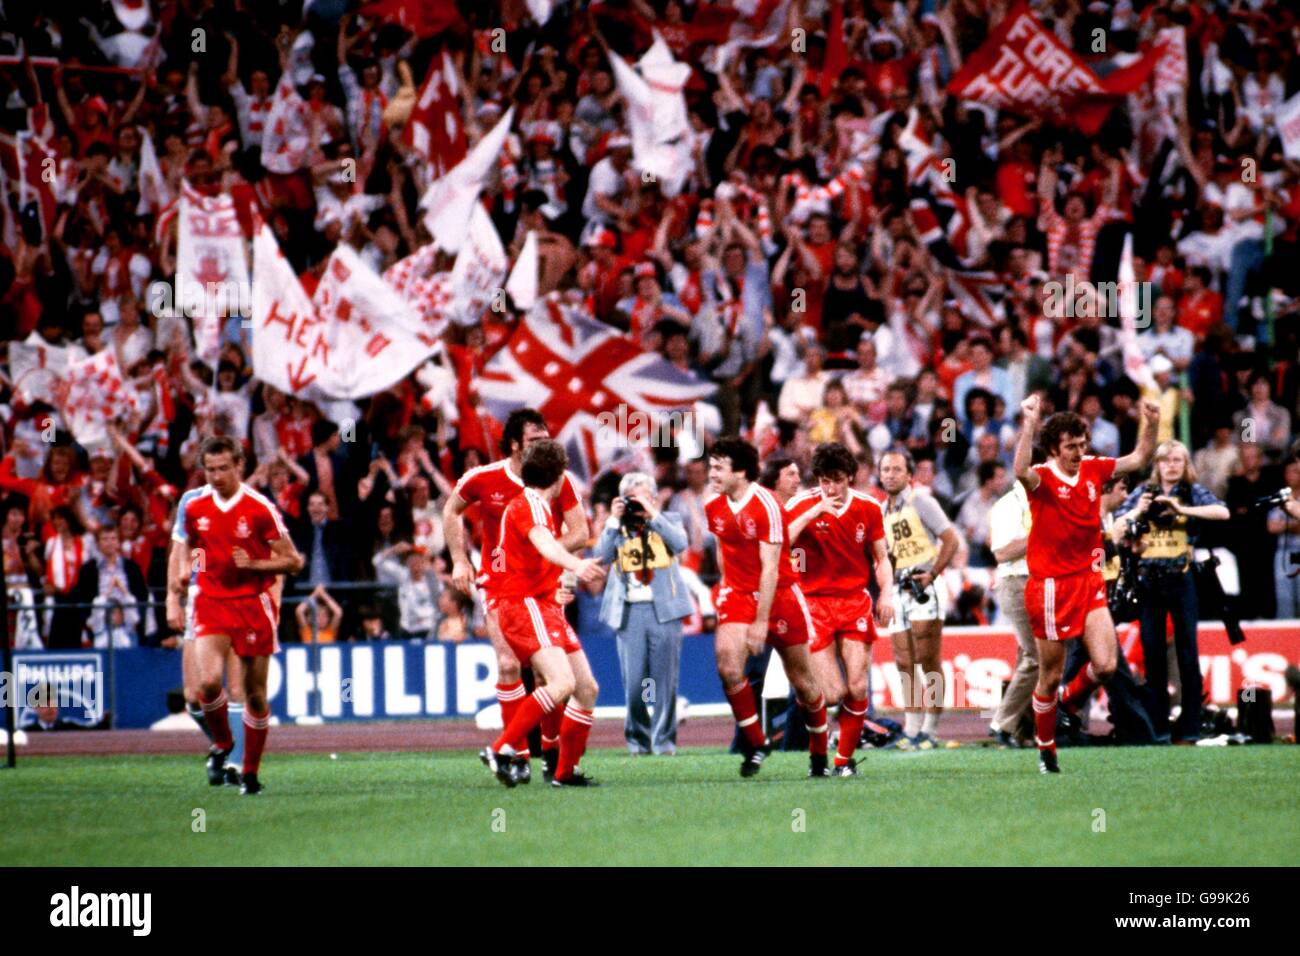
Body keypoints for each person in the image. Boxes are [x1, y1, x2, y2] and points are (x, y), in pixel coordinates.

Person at [1013, 395, 1159, 773]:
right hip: (1049, 587)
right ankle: (1047, 749)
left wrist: (1152, 422)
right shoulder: (1043, 477)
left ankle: (1070, 699)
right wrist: (1028, 422)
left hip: (1088, 579)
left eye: (1082, 444)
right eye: (1071, 446)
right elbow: (1019, 471)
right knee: (1048, 674)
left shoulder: (1095, 468)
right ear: (1053, 448)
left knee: (1108, 665)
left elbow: (1140, 458)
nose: (1079, 452)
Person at [444, 409, 589, 783]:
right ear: (513, 444)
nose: (543, 446)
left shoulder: (555, 483)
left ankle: (552, 753)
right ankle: (516, 755)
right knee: (511, 666)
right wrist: (460, 561)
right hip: (503, 585)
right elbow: (451, 510)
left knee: (558, 679)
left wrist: (549, 557)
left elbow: (579, 532)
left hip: (542, 588)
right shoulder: (487, 480)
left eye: (545, 440)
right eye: (534, 441)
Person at [166, 436, 304, 796]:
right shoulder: (193, 505)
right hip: (208, 600)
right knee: (202, 688)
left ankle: (246, 770)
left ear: (239, 466)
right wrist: (180, 583)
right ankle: (223, 744)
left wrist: (258, 571)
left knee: (249, 693)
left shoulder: (260, 507)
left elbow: (291, 561)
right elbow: (196, 548)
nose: (216, 476)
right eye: (209, 469)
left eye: (223, 468)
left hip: (249, 604)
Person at [480, 439, 605, 788]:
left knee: (587, 688)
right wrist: (576, 566)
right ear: (559, 475)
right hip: (525, 604)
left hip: (543, 603)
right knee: (561, 682)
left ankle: (564, 772)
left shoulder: (531, 504)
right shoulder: (531, 505)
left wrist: (558, 581)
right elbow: (546, 545)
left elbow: (539, 553)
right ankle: (502, 748)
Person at [703, 436, 829, 777]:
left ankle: (819, 755)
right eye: (711, 466)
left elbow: (771, 567)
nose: (711, 473)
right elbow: (721, 548)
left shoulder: (766, 505)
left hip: (780, 596)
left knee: (803, 682)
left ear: (741, 472)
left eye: (718, 467)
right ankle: (757, 742)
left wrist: (760, 623)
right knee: (728, 667)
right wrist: (726, 591)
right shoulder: (713, 506)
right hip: (739, 593)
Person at [785, 443, 895, 776]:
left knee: (859, 687)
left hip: (854, 602)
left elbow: (881, 557)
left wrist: (887, 593)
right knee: (831, 694)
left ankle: (844, 763)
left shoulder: (869, 507)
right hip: (813, 604)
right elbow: (779, 544)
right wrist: (811, 514)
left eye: (837, 480)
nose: (830, 488)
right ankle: (818, 753)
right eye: (824, 481)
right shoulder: (800, 504)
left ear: (850, 477)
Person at [1113, 440, 1230, 742]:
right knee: (1152, 653)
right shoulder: (1144, 492)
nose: (1172, 465)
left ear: (1185, 463)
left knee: (1188, 653)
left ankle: (1190, 727)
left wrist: (1181, 508)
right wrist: (1138, 512)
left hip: (1182, 577)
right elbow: (1118, 524)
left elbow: (1223, 513)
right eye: (1166, 460)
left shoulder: (1191, 491)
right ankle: (1158, 728)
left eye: (1178, 460)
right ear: (1158, 465)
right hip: (1149, 580)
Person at [594, 472, 692, 756]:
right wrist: (613, 519)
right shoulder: (616, 528)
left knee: (665, 682)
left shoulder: (668, 521)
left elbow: (680, 543)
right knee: (636, 684)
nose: (639, 503)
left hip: (665, 611)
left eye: (644, 496)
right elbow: (601, 555)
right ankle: (639, 741)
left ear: (653, 496)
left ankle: (664, 744)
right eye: (633, 498)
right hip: (630, 611)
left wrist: (653, 513)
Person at [877, 449, 960, 748]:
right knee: (904, 662)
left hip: (924, 585)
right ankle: (912, 729)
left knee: (928, 660)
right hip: (900, 587)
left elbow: (951, 539)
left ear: (909, 474)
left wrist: (934, 573)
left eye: (896, 469)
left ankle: (931, 729)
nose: (890, 474)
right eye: (885, 469)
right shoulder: (883, 510)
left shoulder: (921, 500)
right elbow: (885, 556)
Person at [986, 461, 1035, 748]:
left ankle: (1019, 729)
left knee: (1027, 657)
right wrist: (1040, 534)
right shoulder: (1007, 505)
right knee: (1037, 656)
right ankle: (1001, 721)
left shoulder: (1039, 500)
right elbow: (1002, 552)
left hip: (1039, 581)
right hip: (1017, 581)